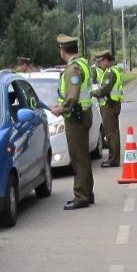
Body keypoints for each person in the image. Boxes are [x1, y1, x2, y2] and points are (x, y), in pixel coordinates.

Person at [50, 35, 94, 210]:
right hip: (84, 114)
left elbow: (73, 97)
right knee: (84, 156)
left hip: (76, 117)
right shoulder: (83, 64)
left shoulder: (72, 70)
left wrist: (60, 109)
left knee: (78, 158)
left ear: (63, 50)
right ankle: (87, 193)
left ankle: (81, 196)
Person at [91, 50, 123, 168]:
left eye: (101, 61)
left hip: (109, 105)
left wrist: (92, 93)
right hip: (111, 104)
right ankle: (113, 158)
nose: (99, 64)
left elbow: (104, 90)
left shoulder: (110, 73)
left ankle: (113, 160)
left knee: (111, 134)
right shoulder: (110, 71)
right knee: (113, 133)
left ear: (106, 60)